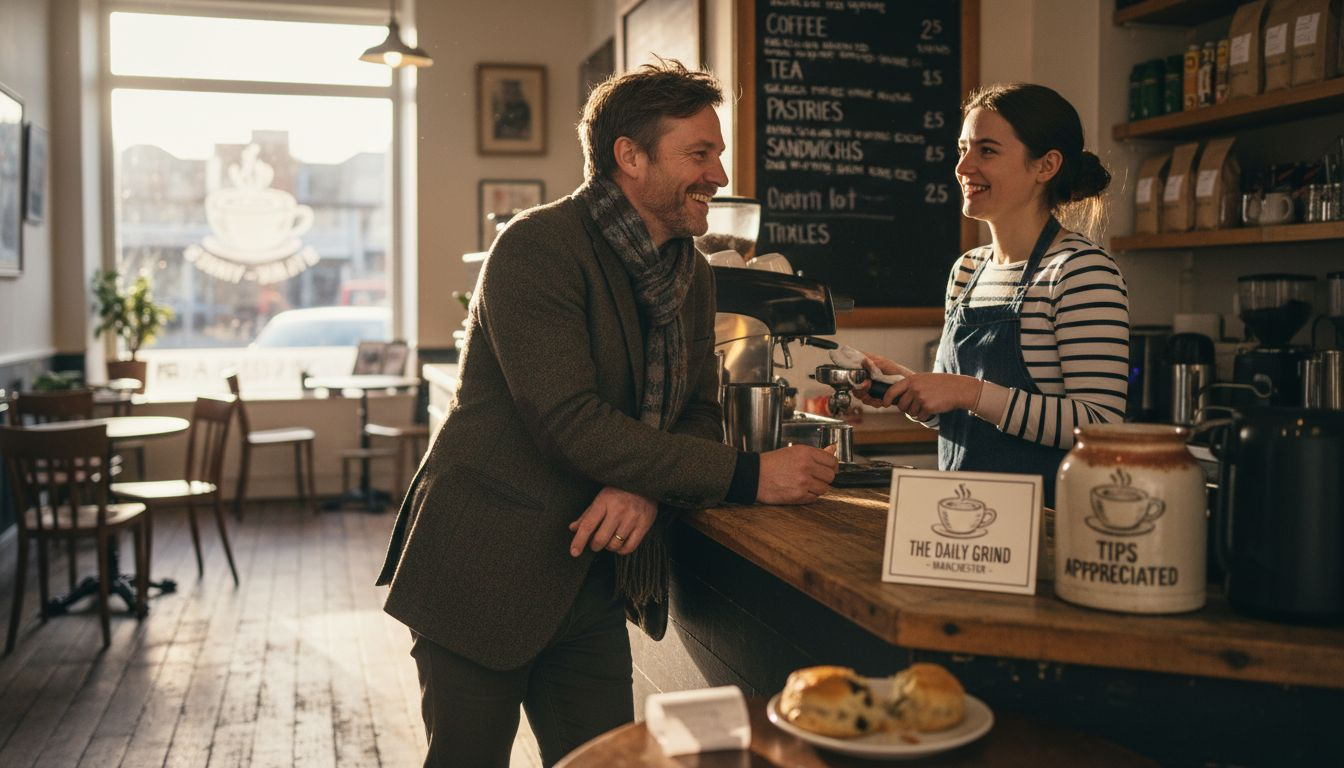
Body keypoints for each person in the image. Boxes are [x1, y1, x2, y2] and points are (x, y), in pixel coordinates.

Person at [376, 60, 837, 767]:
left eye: (717, 154)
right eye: (699, 153)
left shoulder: (690, 274)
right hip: (484, 568)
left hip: (592, 577)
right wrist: (749, 476)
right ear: (630, 156)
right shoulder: (536, 246)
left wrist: (645, 485)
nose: (718, 175)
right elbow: (572, 421)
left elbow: (695, 410)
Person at [858, 83, 1129, 506]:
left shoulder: (1080, 271)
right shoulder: (967, 270)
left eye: (986, 150)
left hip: (1047, 526)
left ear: (1046, 165)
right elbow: (967, 420)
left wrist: (968, 391)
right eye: (963, 148)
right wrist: (911, 389)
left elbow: (1098, 426)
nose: (964, 166)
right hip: (966, 521)